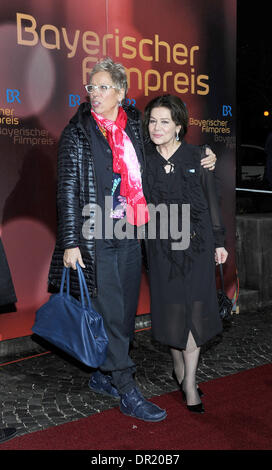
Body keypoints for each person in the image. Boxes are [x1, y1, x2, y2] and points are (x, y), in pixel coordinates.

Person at [48, 58, 216, 422]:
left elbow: (163, 149)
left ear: (121, 92)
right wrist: (70, 243)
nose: (95, 93)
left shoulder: (134, 127)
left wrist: (203, 155)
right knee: (109, 309)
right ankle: (126, 387)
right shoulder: (77, 132)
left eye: (104, 87)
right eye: (92, 87)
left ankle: (103, 374)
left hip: (128, 232)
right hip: (94, 236)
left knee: (123, 312)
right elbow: (67, 191)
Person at [143, 94, 228, 413]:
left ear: (178, 126)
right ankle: (178, 367)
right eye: (152, 121)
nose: (157, 127)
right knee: (171, 311)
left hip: (197, 247)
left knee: (193, 312)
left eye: (165, 121)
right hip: (161, 249)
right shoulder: (145, 161)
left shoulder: (199, 157)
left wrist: (219, 243)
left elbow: (211, 204)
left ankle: (190, 382)